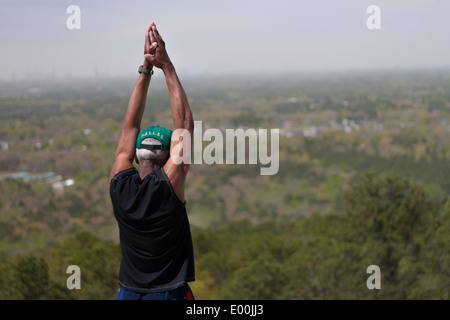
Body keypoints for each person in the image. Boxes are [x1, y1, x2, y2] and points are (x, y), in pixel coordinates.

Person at [109, 21, 195, 300]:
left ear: (135, 154)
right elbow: (184, 125)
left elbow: (129, 125)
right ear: (169, 156)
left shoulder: (119, 185)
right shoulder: (167, 185)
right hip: (168, 293)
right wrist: (167, 66)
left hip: (129, 293)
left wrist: (146, 69)